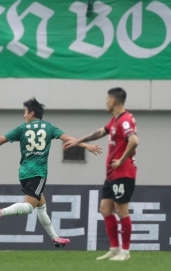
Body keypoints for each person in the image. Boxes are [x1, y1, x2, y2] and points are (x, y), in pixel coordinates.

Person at [0, 98, 101, 247]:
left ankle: (55, 237)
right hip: (38, 172)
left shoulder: (22, 129)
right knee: (29, 207)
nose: (24, 116)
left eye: (25, 112)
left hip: (23, 172)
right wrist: (86, 145)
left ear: (32, 113)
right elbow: (68, 139)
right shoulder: (49, 127)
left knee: (41, 205)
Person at [63, 88, 139, 261]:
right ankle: (114, 248)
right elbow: (100, 132)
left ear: (113, 102)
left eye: (107, 99)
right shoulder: (115, 120)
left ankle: (125, 252)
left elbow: (134, 140)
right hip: (112, 175)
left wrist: (121, 159)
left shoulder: (125, 120)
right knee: (105, 209)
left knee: (121, 210)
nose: (105, 101)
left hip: (123, 172)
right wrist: (78, 141)